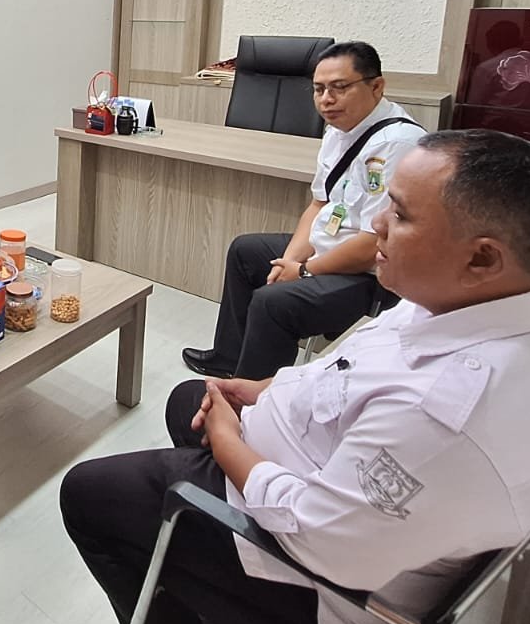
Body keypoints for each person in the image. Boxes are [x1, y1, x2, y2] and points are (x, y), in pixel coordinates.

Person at [60, 130, 530, 624]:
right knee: (186, 400)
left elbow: (317, 540)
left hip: (312, 578)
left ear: (482, 256)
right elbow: (358, 369)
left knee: (88, 495)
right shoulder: (497, 306)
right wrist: (265, 389)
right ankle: (200, 588)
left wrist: (228, 443)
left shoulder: (447, 419)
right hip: (324, 471)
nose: (377, 225)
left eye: (400, 215)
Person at [181, 42, 423, 380]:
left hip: (369, 274)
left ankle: (253, 395)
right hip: (330, 247)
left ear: (376, 86)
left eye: (340, 87)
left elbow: (373, 243)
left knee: (272, 300)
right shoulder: (337, 130)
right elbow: (319, 204)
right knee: (246, 251)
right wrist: (289, 262)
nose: (326, 99)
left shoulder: (396, 144)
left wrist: (304, 271)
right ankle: (228, 358)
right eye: (319, 89)